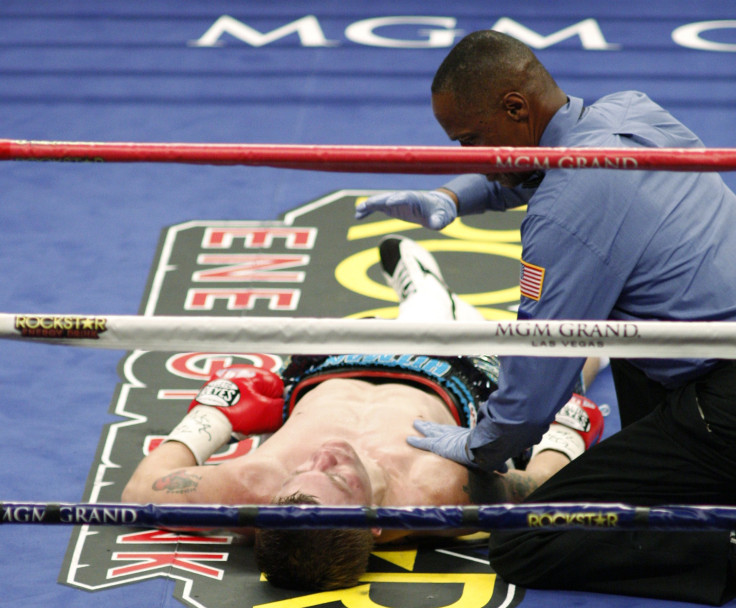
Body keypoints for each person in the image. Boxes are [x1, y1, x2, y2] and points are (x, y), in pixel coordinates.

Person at [354, 29, 736, 605]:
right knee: (625, 328)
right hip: (714, 355)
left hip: (722, 403)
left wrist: (479, 445)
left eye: (471, 140)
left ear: (515, 108)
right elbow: (532, 170)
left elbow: (536, 375)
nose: (471, 157)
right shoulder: (631, 112)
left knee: (524, 542)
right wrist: (454, 196)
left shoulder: (565, 213)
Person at [122, 235, 604, 591]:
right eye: (336, 479)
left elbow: (140, 491)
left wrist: (215, 413)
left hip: (336, 361)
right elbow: (536, 491)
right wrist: (563, 432)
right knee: (586, 347)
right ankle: (427, 293)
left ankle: (425, 294)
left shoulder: (255, 489)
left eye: (301, 471)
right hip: (455, 369)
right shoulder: (435, 494)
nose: (322, 457)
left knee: (431, 314)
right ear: (376, 521)